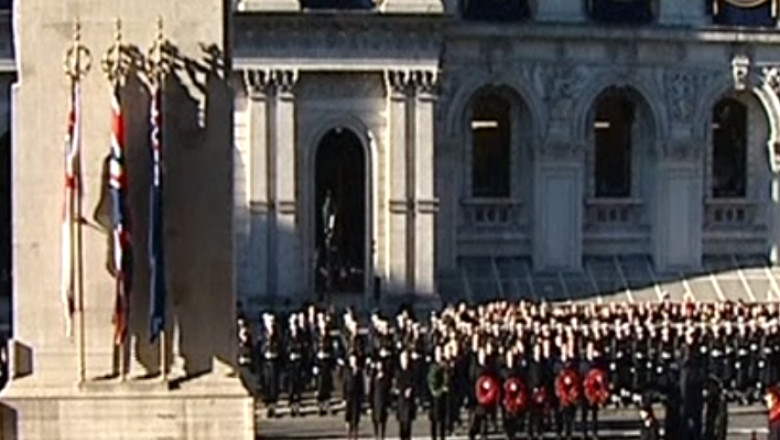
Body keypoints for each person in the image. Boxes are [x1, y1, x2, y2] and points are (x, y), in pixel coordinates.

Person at [428, 345, 450, 440]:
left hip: (444, 396)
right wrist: (440, 389)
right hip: (435, 396)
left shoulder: (445, 365)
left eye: (441, 352)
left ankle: (442, 436)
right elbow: (431, 381)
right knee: (435, 419)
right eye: (438, 352)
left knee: (442, 419)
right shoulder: (433, 366)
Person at [396, 350, 417, 440]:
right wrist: (402, 391)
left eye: (406, 359)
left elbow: (415, 384)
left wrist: (411, 389)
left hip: (409, 402)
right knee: (402, 425)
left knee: (408, 424)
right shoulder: (398, 372)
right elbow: (396, 386)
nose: (405, 361)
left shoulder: (412, 372)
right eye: (403, 359)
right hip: (401, 401)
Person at [343, 353, 365, 440]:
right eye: (352, 360)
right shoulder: (347, 371)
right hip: (349, 396)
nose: (353, 361)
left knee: (356, 416)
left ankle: (355, 435)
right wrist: (344, 398)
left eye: (354, 360)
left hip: (357, 397)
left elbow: (362, 385)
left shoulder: (359, 371)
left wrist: (362, 397)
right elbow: (344, 384)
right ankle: (348, 435)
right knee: (348, 416)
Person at [370, 359, 392, 440]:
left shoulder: (386, 377)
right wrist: (370, 403)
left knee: (383, 420)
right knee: (375, 420)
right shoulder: (373, 377)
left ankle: (382, 436)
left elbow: (388, 391)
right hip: (375, 401)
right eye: (378, 364)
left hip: (383, 401)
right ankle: (376, 435)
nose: (379, 366)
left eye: (380, 364)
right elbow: (371, 390)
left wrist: (389, 404)